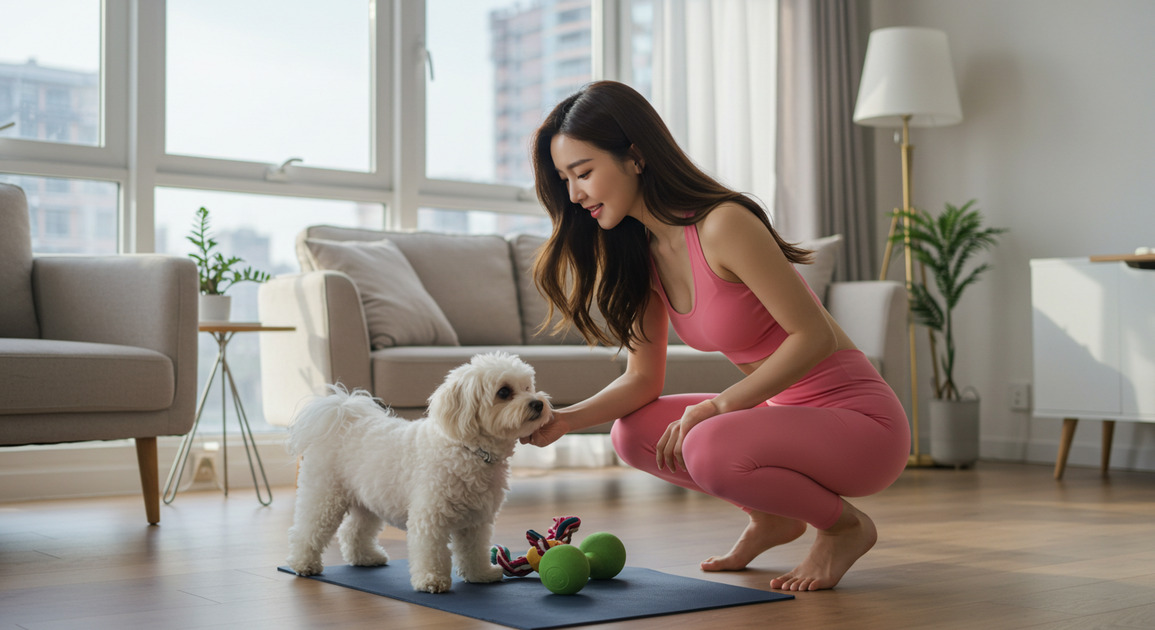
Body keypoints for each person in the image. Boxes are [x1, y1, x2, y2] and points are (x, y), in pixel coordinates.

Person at [521, 80, 911, 592]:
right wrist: (566, 421)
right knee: (632, 433)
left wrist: (718, 407)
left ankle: (844, 527)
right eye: (565, 179)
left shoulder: (722, 224)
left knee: (705, 441)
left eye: (584, 172)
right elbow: (642, 380)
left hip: (862, 427)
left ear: (635, 157)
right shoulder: (643, 256)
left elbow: (812, 337)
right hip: (787, 419)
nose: (574, 194)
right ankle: (773, 517)